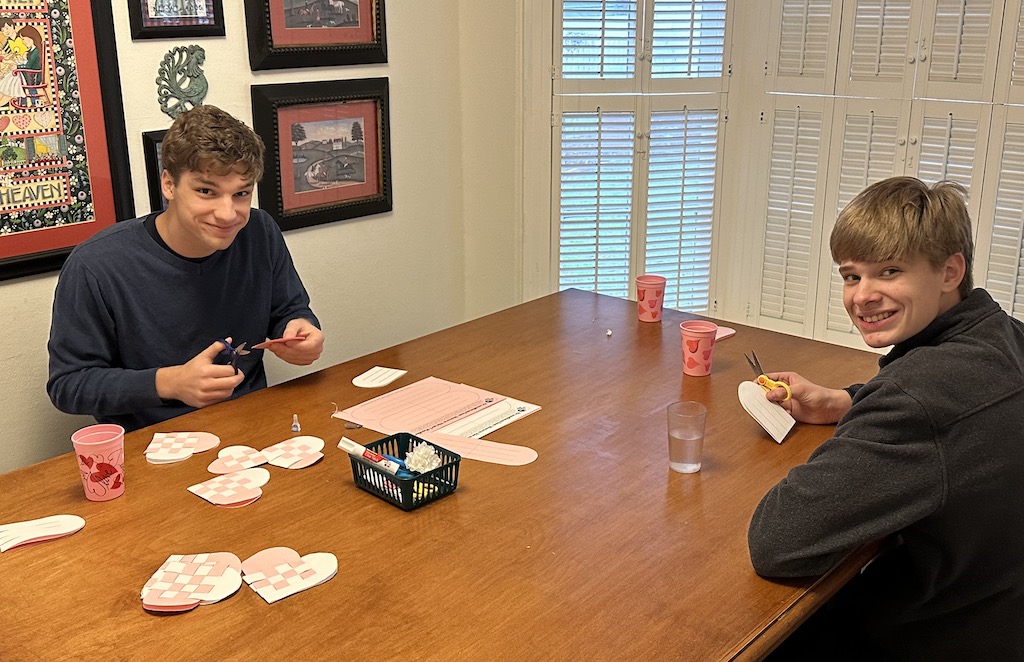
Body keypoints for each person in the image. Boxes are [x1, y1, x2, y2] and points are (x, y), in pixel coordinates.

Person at [747, 177, 1024, 659]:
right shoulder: (1006, 336)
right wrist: (848, 400)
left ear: (949, 271)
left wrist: (878, 410)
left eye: (889, 271)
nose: (863, 296)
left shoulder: (915, 397)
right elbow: (959, 420)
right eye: (852, 276)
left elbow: (778, 540)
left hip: (941, 631)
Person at [47, 104, 325, 432]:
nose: (227, 213)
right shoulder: (96, 266)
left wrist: (299, 329)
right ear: (169, 185)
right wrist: (170, 382)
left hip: (251, 425)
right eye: (206, 191)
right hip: (153, 446)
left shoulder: (259, 231)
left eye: (241, 194)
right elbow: (68, 385)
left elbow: (288, 310)